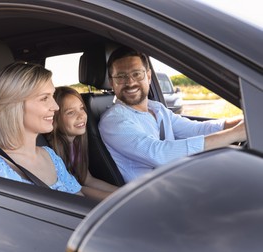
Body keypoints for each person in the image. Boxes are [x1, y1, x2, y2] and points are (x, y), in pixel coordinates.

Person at [99, 46, 246, 182]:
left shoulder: (157, 108)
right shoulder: (114, 121)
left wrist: (245, 122)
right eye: (121, 76)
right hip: (154, 198)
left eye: (136, 74)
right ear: (112, 82)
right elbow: (159, 154)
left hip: (178, 180)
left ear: (148, 76)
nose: (130, 83)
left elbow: (195, 129)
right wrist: (234, 134)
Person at [0, 61, 82, 195]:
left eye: (52, 96)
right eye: (44, 98)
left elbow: (80, 202)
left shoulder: (51, 156)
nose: (56, 107)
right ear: (14, 106)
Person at [47, 86, 118, 201]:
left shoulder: (76, 143)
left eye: (82, 108)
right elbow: (75, 188)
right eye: (70, 112)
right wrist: (117, 198)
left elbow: (87, 180)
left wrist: (125, 191)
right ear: (55, 119)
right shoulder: (51, 151)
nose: (81, 116)